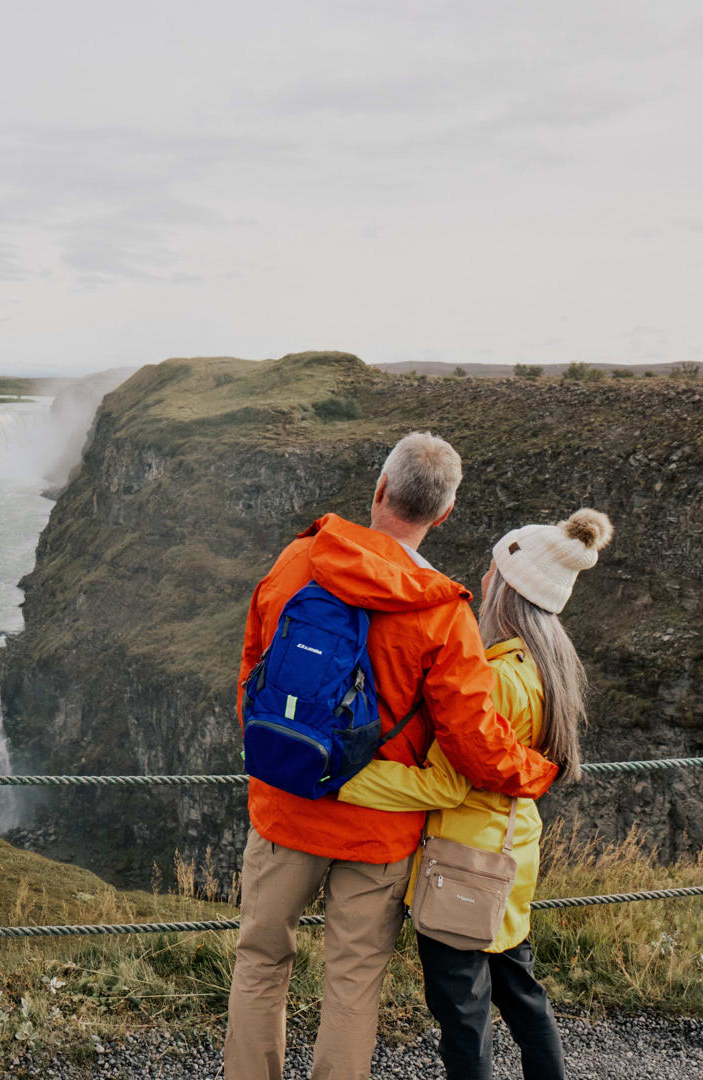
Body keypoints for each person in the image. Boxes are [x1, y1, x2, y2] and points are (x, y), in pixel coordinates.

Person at [224, 432, 561, 1080]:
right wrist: (537, 771)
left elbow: (253, 672)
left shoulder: (297, 561)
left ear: (380, 489)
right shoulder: (444, 614)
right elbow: (474, 741)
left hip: (289, 805)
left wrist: (281, 759)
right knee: (353, 982)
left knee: (261, 962)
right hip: (379, 835)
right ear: (444, 514)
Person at [338, 507, 613, 1080]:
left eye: (492, 571)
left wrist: (346, 779)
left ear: (507, 590)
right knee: (521, 994)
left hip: (463, 864)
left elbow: (444, 782)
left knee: (462, 1014)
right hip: (511, 855)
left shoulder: (494, 679)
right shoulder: (547, 669)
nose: (483, 580)